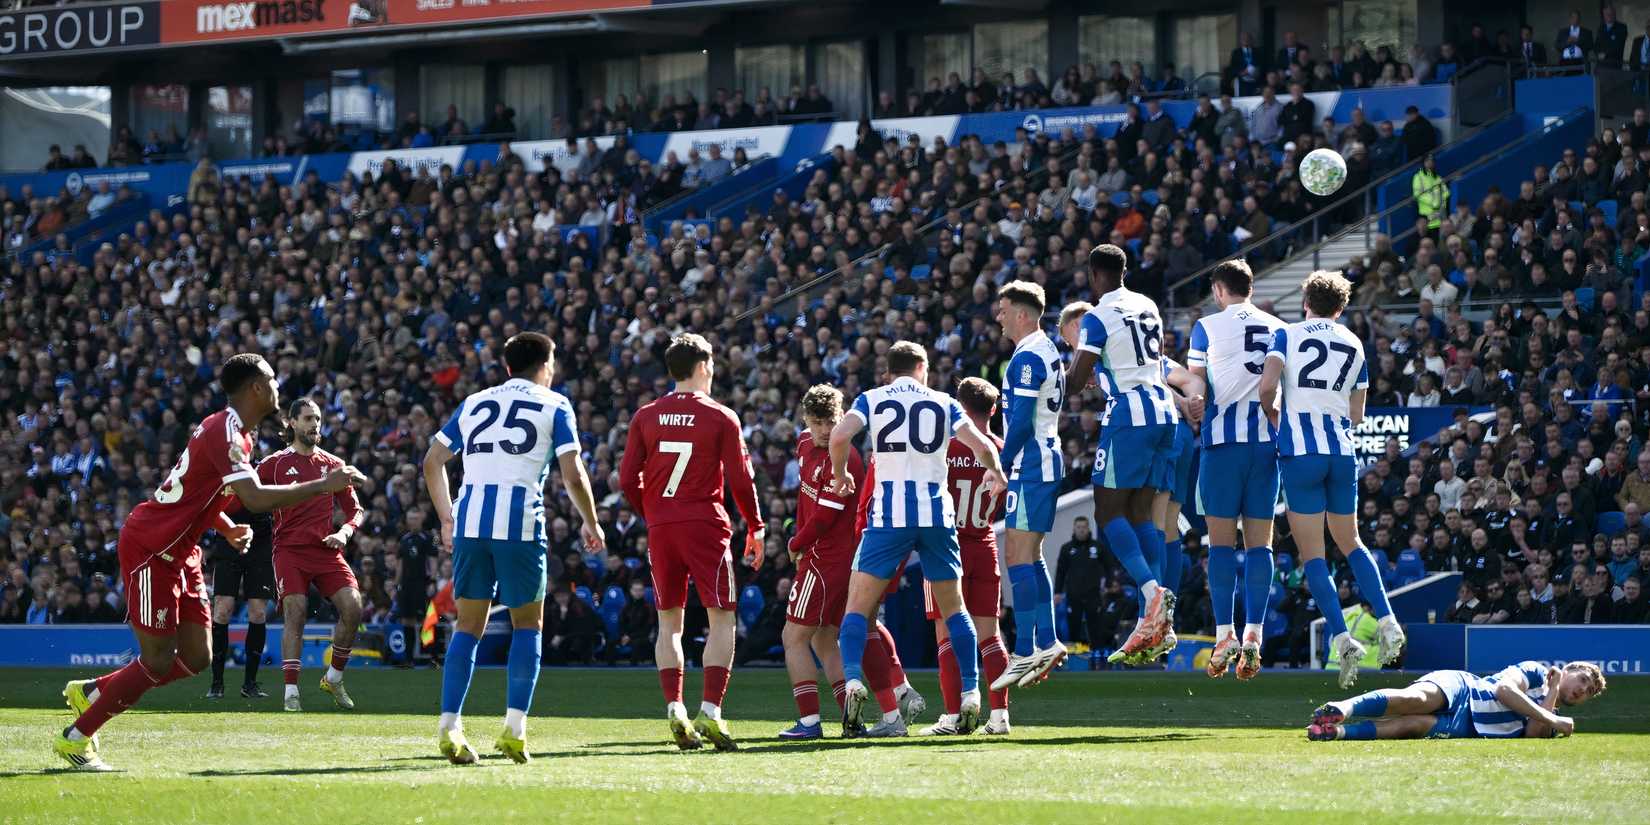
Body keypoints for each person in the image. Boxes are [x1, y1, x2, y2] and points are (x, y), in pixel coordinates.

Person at [57, 354, 366, 771]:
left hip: (182, 552)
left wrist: (224, 527)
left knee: (198, 658)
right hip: (152, 550)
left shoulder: (236, 432)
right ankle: (77, 737)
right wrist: (320, 485)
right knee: (157, 660)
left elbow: (198, 494)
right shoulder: (227, 433)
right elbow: (254, 498)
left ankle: (96, 690)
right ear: (256, 388)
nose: (278, 385)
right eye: (272, 379)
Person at [423, 332, 605, 765]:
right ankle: (514, 728)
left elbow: (432, 461)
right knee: (529, 626)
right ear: (547, 364)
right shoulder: (554, 403)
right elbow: (573, 473)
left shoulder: (475, 402)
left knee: (467, 627)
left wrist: (448, 517)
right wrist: (591, 521)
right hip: (519, 525)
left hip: (470, 523)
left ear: (507, 366)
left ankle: (449, 725)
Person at [827, 341, 1006, 735]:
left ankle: (854, 681)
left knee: (857, 606)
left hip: (889, 516)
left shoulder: (873, 398)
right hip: (937, 516)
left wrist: (840, 477)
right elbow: (978, 442)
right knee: (955, 609)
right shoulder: (943, 401)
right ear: (923, 367)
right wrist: (994, 471)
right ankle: (972, 695)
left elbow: (839, 437)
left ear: (889, 372)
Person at [1259, 271, 1404, 690]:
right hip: (1341, 451)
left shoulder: (1287, 335)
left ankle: (1342, 637)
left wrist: (1275, 414)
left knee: (1314, 556)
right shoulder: (1354, 342)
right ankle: (1389, 620)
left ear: (1305, 299)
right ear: (1341, 308)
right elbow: (1357, 415)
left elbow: (1267, 386)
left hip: (1301, 452)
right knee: (1352, 542)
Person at [620, 333, 764, 751]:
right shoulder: (721, 416)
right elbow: (740, 478)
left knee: (670, 623)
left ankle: (674, 707)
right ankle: (712, 711)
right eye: (713, 364)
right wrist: (756, 526)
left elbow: (628, 479)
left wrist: (652, 515)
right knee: (722, 618)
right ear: (702, 366)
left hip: (662, 527)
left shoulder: (646, 414)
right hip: (705, 524)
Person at [1064, 244, 1183, 663]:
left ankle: (1152, 596)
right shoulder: (1147, 304)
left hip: (1130, 416)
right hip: (1164, 411)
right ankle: (1157, 619)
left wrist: (1055, 382)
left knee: (1107, 511)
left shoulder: (1097, 316)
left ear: (1095, 275)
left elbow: (1076, 380)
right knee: (1139, 513)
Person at [1187, 260, 1286, 680]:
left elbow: (1196, 386)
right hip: (1266, 446)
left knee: (1222, 547)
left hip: (1222, 447)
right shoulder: (1280, 326)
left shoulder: (1205, 327)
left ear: (1217, 290)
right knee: (1260, 545)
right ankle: (1254, 634)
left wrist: (1191, 402)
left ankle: (1224, 632)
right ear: (1251, 287)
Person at [987, 282, 1068, 691]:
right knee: (1029, 554)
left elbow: (1019, 424)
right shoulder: (1046, 350)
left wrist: (999, 467)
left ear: (1022, 313)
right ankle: (1047, 641)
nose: (998, 317)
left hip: (1031, 465)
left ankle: (1023, 651)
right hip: (1044, 460)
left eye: (1003, 310)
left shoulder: (1027, 356)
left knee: (1016, 553)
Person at [263, 398, 365, 713]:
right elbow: (245, 493)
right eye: (308, 419)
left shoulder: (333, 464)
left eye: (318, 419)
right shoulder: (274, 464)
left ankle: (333, 677)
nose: (314, 425)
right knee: (296, 611)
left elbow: (355, 511)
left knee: (354, 607)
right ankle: (291, 691)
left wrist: (344, 533)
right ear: (291, 423)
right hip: (289, 550)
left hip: (325, 548)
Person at [925, 377, 1011, 736]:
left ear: (958, 406)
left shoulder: (944, 447)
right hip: (984, 543)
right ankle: (1000, 716)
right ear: (993, 410)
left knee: (946, 634)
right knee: (990, 636)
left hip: (946, 546)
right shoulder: (1000, 449)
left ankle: (951, 714)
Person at [1308, 660, 1606, 741]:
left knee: (1411, 726)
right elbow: (1503, 690)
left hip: (1470, 727)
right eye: (1583, 680)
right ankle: (1343, 708)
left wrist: (1552, 697)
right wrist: (1554, 717)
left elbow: (1532, 735)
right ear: (1568, 670)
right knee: (1417, 698)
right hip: (1465, 688)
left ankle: (1336, 731)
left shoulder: (1550, 712)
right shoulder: (1536, 671)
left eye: (1589, 692)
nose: (1583, 689)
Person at [205, 509, 275, 700]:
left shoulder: (269, 477)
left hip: (261, 539)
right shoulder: (225, 478)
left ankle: (250, 684)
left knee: (258, 613)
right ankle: (216, 683)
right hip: (229, 536)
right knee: (222, 610)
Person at [395, 508, 436, 667]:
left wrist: (432, 581)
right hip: (406, 585)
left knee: (426, 620)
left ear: (421, 519)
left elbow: (432, 561)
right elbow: (400, 563)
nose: (413, 521)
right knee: (407, 620)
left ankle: (432, 658)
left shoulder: (428, 538)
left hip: (422, 584)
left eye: (415, 518)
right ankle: (409, 659)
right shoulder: (404, 539)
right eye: (410, 518)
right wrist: (396, 584)